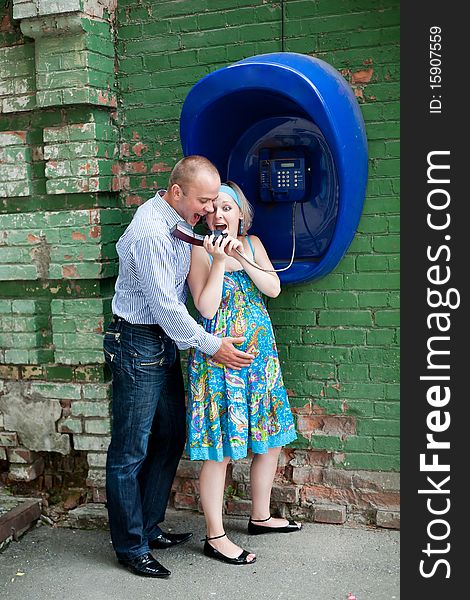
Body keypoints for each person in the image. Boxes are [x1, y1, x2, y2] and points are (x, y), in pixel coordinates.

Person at [103, 157, 254, 578]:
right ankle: (131, 547)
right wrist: (212, 347)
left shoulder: (176, 217)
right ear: (175, 193)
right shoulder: (152, 231)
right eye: (204, 201)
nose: (210, 209)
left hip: (160, 340)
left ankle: (148, 527)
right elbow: (168, 310)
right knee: (130, 450)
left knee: (171, 435)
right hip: (137, 341)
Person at [186, 181, 301, 566]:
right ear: (205, 215)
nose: (220, 215)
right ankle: (215, 537)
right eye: (214, 209)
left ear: (240, 215)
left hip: (259, 360)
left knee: (270, 439)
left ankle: (261, 516)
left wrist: (242, 258)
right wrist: (219, 261)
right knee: (219, 450)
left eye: (228, 208)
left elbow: (273, 288)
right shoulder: (198, 250)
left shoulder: (253, 246)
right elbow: (205, 307)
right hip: (220, 361)